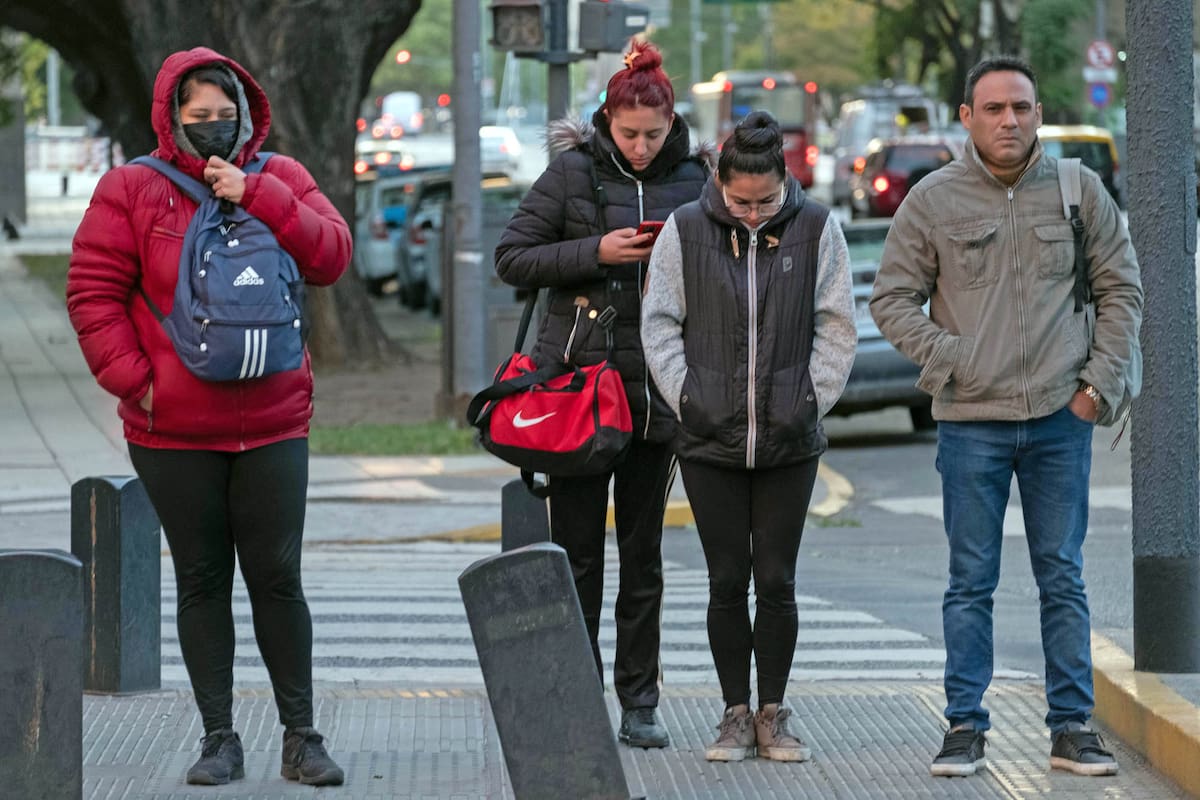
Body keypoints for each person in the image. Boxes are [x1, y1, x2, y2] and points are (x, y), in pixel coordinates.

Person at [66, 48, 352, 786]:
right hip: (173, 431)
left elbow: (331, 257)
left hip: (274, 420)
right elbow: (93, 293)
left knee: (277, 576)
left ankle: (302, 735)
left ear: (247, 115)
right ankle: (218, 737)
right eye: (199, 119)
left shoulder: (281, 178)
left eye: (226, 117)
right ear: (172, 119)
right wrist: (139, 383)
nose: (215, 130)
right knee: (201, 579)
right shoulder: (131, 188)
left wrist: (256, 194)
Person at [870, 56, 1142, 778]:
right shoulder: (932, 200)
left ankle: (1072, 726)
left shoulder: (1080, 192)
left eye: (1020, 107)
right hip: (969, 421)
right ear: (967, 117)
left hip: (1060, 417)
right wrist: (950, 357)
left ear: (1039, 114)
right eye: (993, 108)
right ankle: (964, 725)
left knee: (1063, 575)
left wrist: (1094, 388)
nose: (1009, 120)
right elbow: (892, 298)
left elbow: (1123, 292)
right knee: (970, 580)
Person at [494, 39, 711, 749]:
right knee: (576, 554)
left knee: (643, 556)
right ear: (606, 122)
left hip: (655, 394)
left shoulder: (699, 178)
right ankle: (574, 694)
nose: (642, 148)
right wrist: (597, 252)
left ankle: (639, 701)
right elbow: (513, 257)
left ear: (672, 122)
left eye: (653, 134)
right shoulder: (570, 173)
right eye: (628, 135)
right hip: (579, 397)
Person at [641, 110, 857, 762]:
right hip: (710, 439)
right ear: (719, 183)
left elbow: (838, 325)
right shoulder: (684, 231)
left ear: (784, 184)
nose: (755, 213)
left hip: (790, 439)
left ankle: (774, 714)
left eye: (766, 201)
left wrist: (808, 401)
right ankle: (734, 714)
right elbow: (659, 323)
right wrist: (689, 396)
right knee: (726, 580)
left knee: (779, 580)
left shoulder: (818, 228)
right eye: (741, 201)